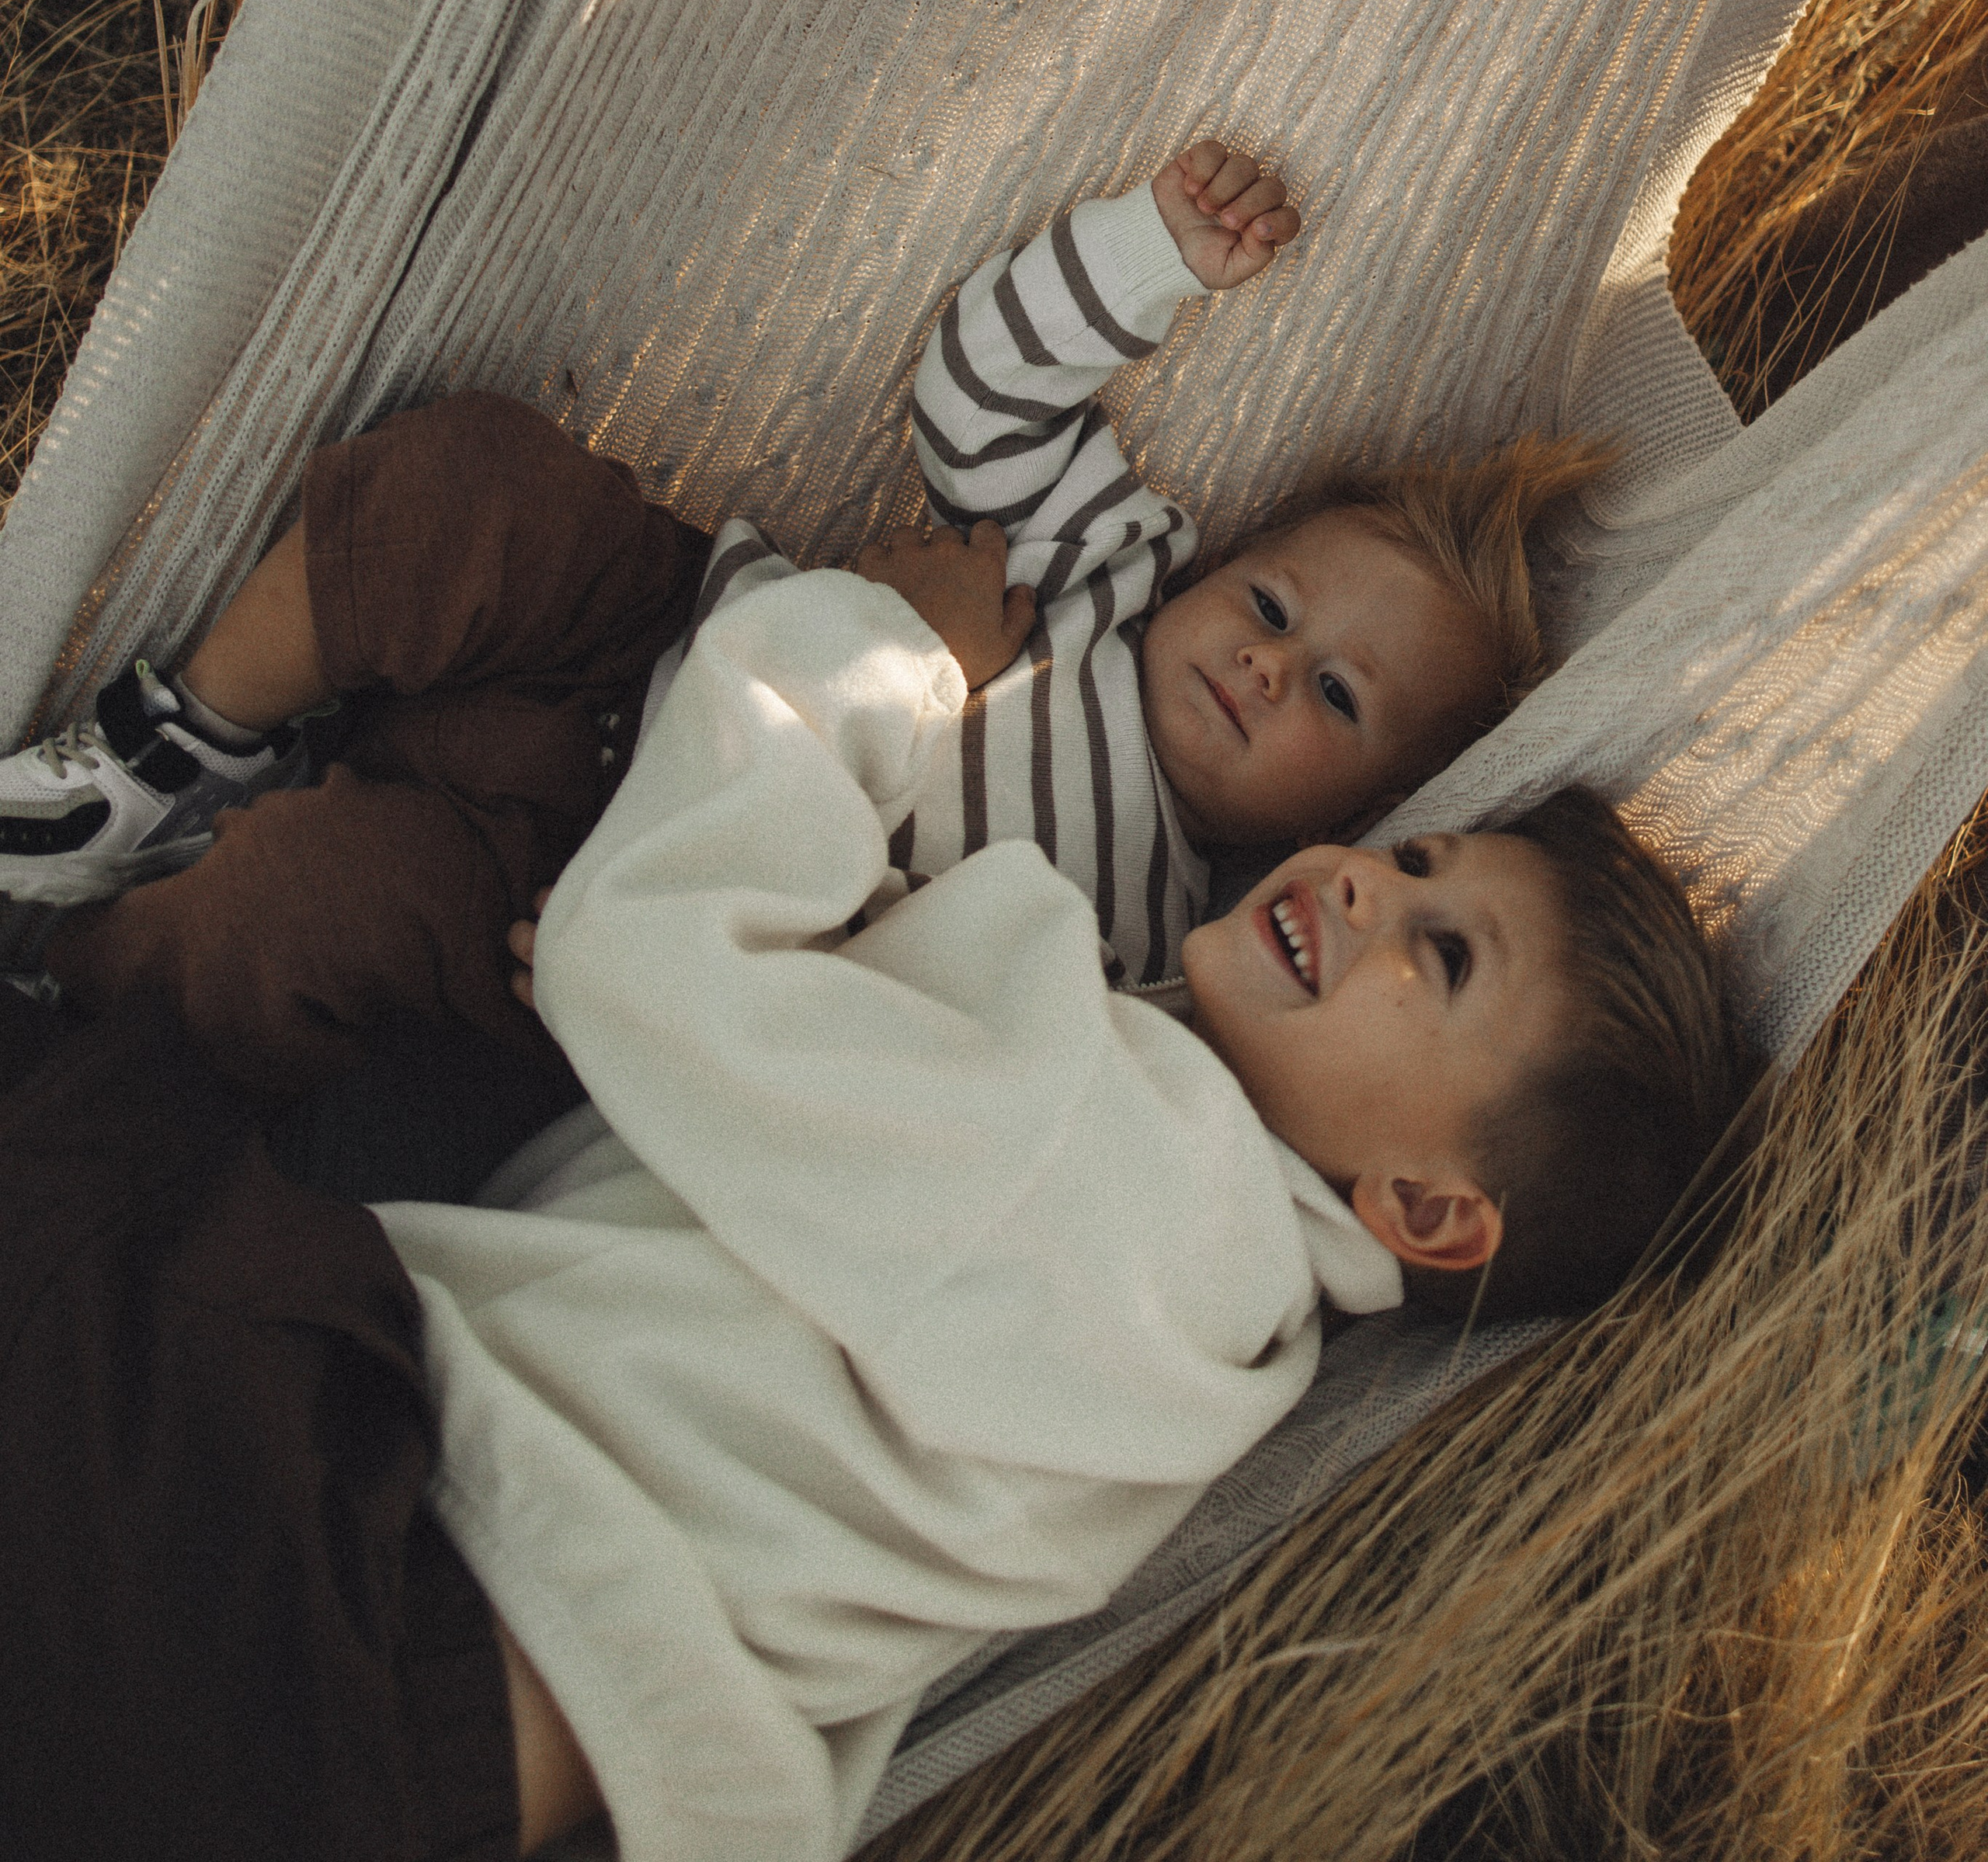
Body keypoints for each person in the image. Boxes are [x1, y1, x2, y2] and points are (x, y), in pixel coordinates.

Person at [0, 539, 1746, 1862]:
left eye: (1444, 954)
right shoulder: (1217, 1324)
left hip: (345, 1574)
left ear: (1429, 1214)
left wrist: (887, 650)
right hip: (434, 1750)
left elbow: (647, 955)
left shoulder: (1127, 1157)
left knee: (82, 1131)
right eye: (1418, 854)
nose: (1369, 884)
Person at [0, 140, 1607, 1093]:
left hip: (583, 906)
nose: (1267, 661)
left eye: (1338, 699)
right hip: (646, 635)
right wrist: (1152, 254)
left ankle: (68, 967)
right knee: (472, 482)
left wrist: (665, 997)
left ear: (1355, 815)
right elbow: (977, 391)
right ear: (1220, 559)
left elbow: (891, 1069)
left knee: (308, 918)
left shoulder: (1135, 948)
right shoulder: (1106, 561)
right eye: (1270, 601)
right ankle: (175, 745)